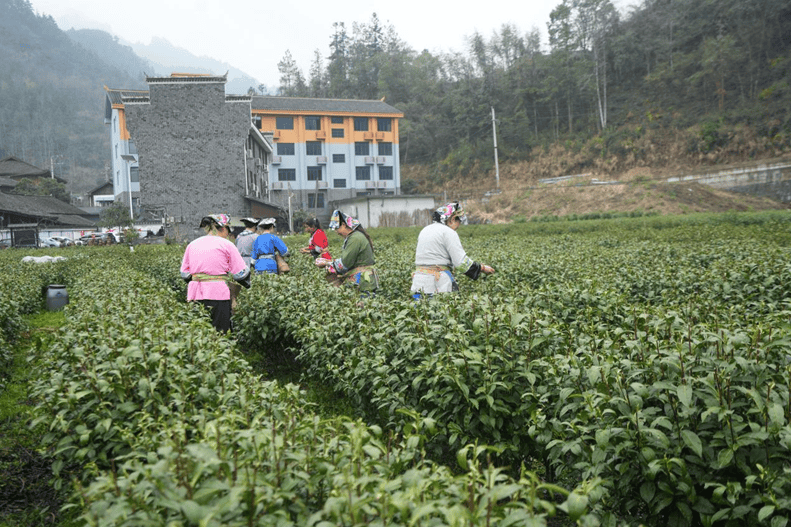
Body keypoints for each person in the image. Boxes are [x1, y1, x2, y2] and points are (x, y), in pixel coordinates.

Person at [180, 214, 251, 332]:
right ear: (223, 228)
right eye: (228, 229)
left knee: (199, 332)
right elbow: (240, 274)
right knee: (220, 332)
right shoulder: (227, 244)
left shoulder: (192, 244)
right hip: (218, 294)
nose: (228, 233)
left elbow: (184, 274)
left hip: (195, 295)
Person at [410, 202, 494, 299]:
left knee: (420, 312)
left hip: (418, 282)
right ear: (452, 219)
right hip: (437, 284)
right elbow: (461, 263)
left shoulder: (425, 230)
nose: (458, 226)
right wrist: (482, 268)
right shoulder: (448, 232)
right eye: (459, 222)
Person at [315, 210, 378, 294]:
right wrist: (329, 262)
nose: (336, 232)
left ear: (344, 225)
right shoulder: (354, 237)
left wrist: (327, 263)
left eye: (337, 228)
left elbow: (344, 264)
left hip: (363, 280)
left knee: (363, 304)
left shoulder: (355, 238)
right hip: (364, 279)